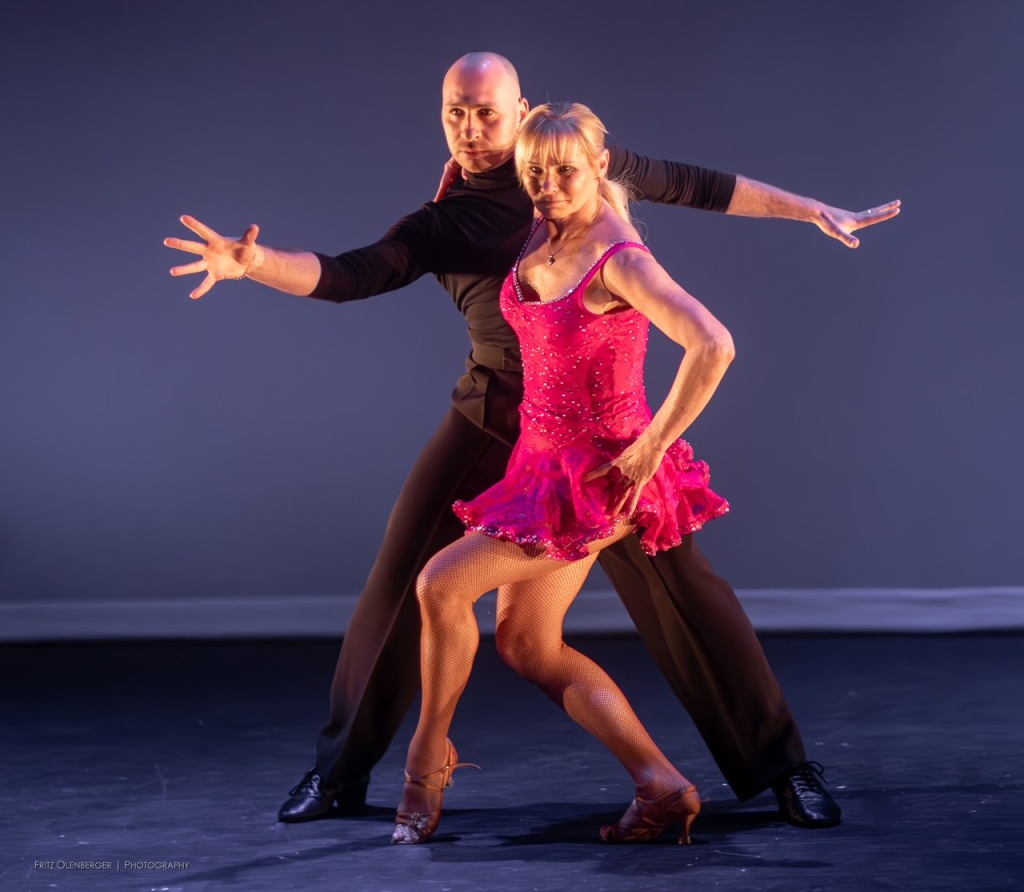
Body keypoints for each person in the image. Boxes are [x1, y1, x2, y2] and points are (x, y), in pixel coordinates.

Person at [164, 51, 898, 830]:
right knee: (407, 579)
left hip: (599, 435)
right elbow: (352, 274)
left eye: (486, 112)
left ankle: (782, 768)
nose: (470, 129)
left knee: (685, 592)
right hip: (497, 414)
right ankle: (339, 774)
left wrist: (812, 209)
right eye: (455, 113)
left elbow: (697, 186)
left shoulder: (570, 162)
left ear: (521, 115)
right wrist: (255, 263)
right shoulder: (448, 216)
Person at [394, 100, 734, 845]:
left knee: (439, 584)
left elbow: (713, 344)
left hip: (592, 480)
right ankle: (661, 785)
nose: (547, 188)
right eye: (534, 175)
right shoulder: (542, 226)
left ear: (599, 166)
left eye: (564, 173)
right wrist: (452, 196)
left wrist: (651, 447)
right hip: (540, 465)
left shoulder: (621, 259)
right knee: (527, 646)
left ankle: (426, 759)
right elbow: (478, 216)